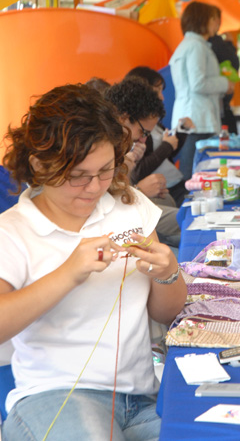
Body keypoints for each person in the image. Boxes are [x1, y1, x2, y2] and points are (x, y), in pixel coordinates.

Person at [0, 83, 186, 441]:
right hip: (54, 398)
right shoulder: (13, 231)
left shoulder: (127, 204)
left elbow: (166, 314)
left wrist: (167, 273)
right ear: (40, 165)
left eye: (105, 170)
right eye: (77, 176)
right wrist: (69, 273)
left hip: (140, 399)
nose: (95, 186)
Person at [105, 77, 182, 248]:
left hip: (124, 203)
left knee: (168, 200)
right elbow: (104, 201)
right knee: (185, 220)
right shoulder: (104, 144)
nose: (142, 138)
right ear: (124, 117)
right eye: (143, 132)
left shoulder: (122, 142)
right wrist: (139, 190)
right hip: (114, 217)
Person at [169, 1, 235, 180]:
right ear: (202, 20)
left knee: (194, 172)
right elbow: (198, 83)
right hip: (197, 118)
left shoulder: (191, 45)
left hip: (193, 115)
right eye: (213, 19)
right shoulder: (196, 46)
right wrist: (224, 84)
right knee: (194, 174)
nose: (217, 24)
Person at [125, 67, 193, 207]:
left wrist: (181, 131)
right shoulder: (135, 127)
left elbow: (168, 152)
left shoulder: (150, 121)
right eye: (158, 90)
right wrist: (166, 146)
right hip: (159, 191)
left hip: (171, 185)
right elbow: (139, 171)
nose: (162, 97)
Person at [208, 7, 240, 134]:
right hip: (217, 105)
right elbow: (234, 64)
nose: (218, 23)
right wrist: (231, 45)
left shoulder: (205, 43)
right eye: (215, 19)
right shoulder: (212, 43)